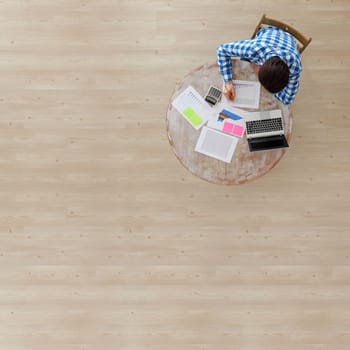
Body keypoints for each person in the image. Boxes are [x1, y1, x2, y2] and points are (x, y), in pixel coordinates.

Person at [216, 25, 302, 105]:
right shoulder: (253, 49)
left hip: (289, 42)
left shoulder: (295, 67)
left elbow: (286, 100)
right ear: (258, 67)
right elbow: (221, 50)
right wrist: (228, 82)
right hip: (269, 32)